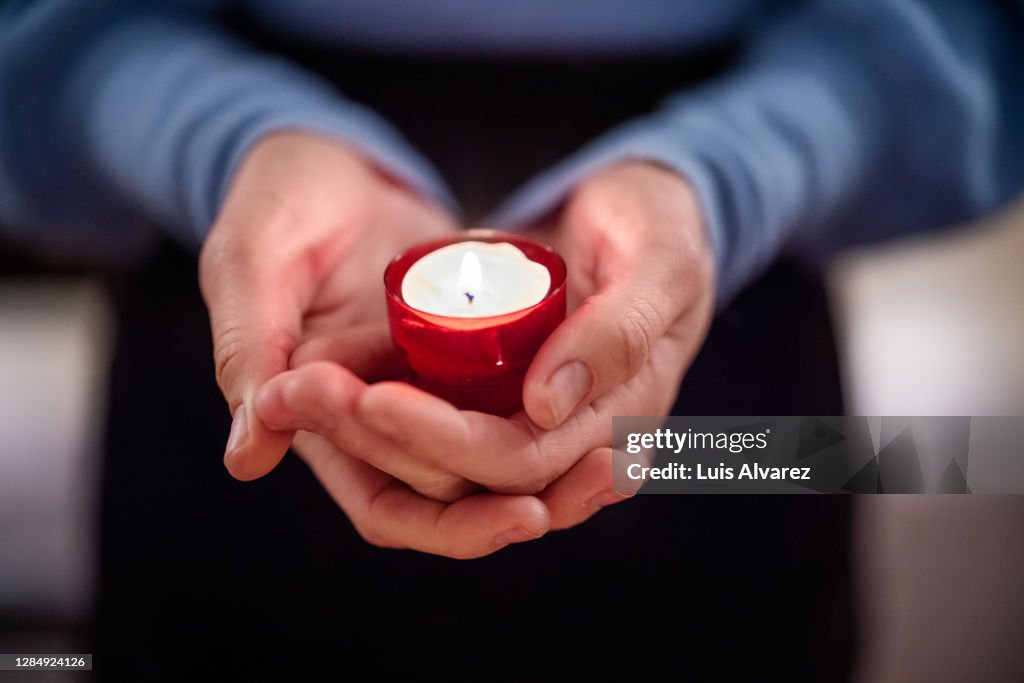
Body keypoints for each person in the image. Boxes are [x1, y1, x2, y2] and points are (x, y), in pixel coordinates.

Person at [1, 1, 1022, 678]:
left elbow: (971, 34)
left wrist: (724, 177)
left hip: (713, 306)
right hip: (267, 275)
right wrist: (218, 138)